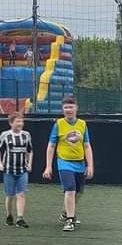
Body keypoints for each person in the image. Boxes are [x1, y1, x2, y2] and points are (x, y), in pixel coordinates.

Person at [42, 93, 93, 232]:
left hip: (80, 162)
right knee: (70, 188)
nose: (68, 110)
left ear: (76, 108)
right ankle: (70, 220)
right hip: (64, 162)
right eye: (65, 107)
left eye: (71, 107)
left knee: (79, 191)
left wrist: (90, 165)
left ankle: (65, 213)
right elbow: (51, 146)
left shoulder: (82, 124)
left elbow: (87, 146)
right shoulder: (59, 124)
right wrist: (48, 167)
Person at [0, 111, 33, 227]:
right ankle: (9, 215)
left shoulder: (26, 135)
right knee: (10, 195)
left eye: (22, 121)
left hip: (22, 170)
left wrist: (29, 163)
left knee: (21, 194)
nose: (20, 123)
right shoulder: (5, 135)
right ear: (11, 123)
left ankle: (20, 218)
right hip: (9, 170)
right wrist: (0, 164)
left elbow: (30, 150)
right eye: (18, 121)